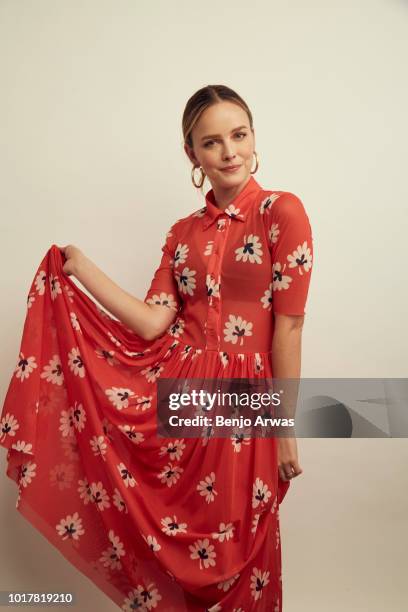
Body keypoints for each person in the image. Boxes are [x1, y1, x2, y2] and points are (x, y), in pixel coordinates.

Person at [0, 84, 313, 611]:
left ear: (254, 137)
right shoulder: (181, 232)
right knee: (181, 543)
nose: (229, 151)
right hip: (182, 398)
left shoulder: (283, 212)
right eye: (211, 142)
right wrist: (82, 269)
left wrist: (284, 430)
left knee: (239, 550)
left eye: (239, 135)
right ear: (193, 154)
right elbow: (152, 323)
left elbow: (289, 329)